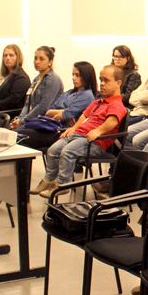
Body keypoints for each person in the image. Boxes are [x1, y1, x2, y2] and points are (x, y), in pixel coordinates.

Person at [30, 65, 127, 198]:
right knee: (52, 151)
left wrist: (98, 131)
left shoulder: (117, 104)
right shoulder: (98, 102)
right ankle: (48, 180)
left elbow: (112, 122)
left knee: (67, 152)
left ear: (118, 83)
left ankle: (62, 184)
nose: (102, 84)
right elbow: (84, 116)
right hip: (78, 135)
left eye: (106, 80)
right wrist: (73, 128)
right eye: (101, 80)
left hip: (94, 142)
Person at [15, 62, 96, 150]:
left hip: (63, 133)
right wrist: (66, 111)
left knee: (21, 137)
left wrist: (64, 114)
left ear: (86, 76)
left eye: (77, 75)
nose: (73, 78)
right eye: (73, 74)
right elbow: (48, 112)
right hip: (50, 127)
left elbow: (64, 115)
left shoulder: (87, 95)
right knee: (17, 133)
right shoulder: (69, 93)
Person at [10, 46, 63, 129]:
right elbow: (28, 104)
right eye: (35, 58)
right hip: (29, 120)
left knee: (15, 134)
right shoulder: (36, 79)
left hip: (43, 123)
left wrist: (22, 121)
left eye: (41, 59)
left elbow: (43, 107)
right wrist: (19, 119)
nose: (37, 62)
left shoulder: (53, 79)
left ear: (50, 62)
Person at [0, 44, 30, 113]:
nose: (7, 58)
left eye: (11, 55)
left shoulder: (21, 77)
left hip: (2, 113)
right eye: (5, 55)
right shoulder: (3, 75)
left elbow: (12, 101)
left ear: (18, 57)